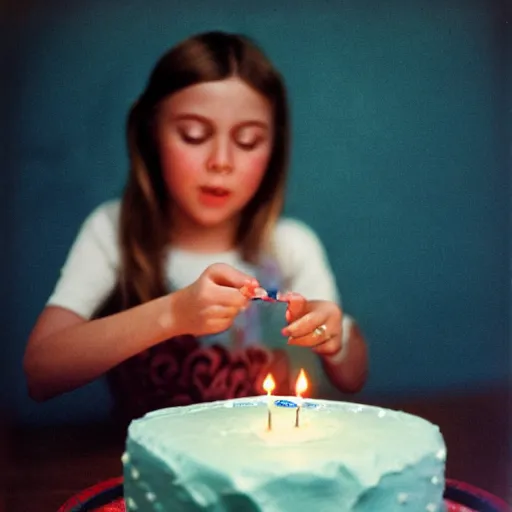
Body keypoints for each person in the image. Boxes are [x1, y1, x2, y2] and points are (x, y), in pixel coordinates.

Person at [23, 31, 368, 422]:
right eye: (194, 135)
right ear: (151, 133)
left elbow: (353, 375)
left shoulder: (290, 246)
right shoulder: (114, 232)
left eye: (249, 141)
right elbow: (41, 371)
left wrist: (334, 337)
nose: (221, 160)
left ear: (274, 149)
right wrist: (174, 313)